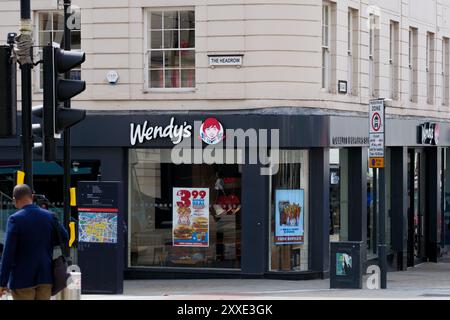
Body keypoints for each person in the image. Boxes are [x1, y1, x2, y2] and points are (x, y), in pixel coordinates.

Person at [0, 184, 68, 300]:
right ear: (32, 196)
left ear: (14, 200)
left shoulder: (15, 219)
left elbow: (8, 254)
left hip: (22, 280)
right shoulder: (50, 216)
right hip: (45, 276)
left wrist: (2, 282)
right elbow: (64, 237)